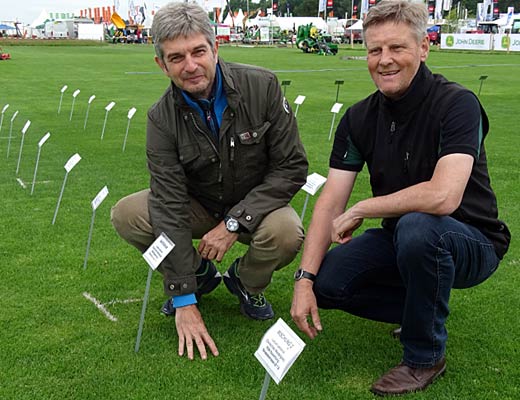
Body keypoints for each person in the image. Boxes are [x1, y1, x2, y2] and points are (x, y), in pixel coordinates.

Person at [290, 0, 510, 396]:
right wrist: (303, 281)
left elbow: (443, 197)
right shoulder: (359, 118)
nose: (384, 60)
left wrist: (364, 207)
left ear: (424, 48)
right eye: (375, 50)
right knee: (329, 279)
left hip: (472, 239)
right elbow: (330, 200)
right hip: (405, 238)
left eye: (397, 48)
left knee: (419, 227)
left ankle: (425, 356)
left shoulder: (457, 104)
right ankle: (421, 311)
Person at [111, 2, 307, 361]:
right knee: (128, 214)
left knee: (287, 231)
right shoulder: (160, 118)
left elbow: (292, 167)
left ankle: (244, 283)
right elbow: (169, 204)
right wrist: (183, 296)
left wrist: (235, 222)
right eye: (176, 57)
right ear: (161, 64)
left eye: (199, 51)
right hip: (198, 205)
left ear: (216, 48)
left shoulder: (262, 86)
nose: (190, 66)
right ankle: (199, 277)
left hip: (256, 206)